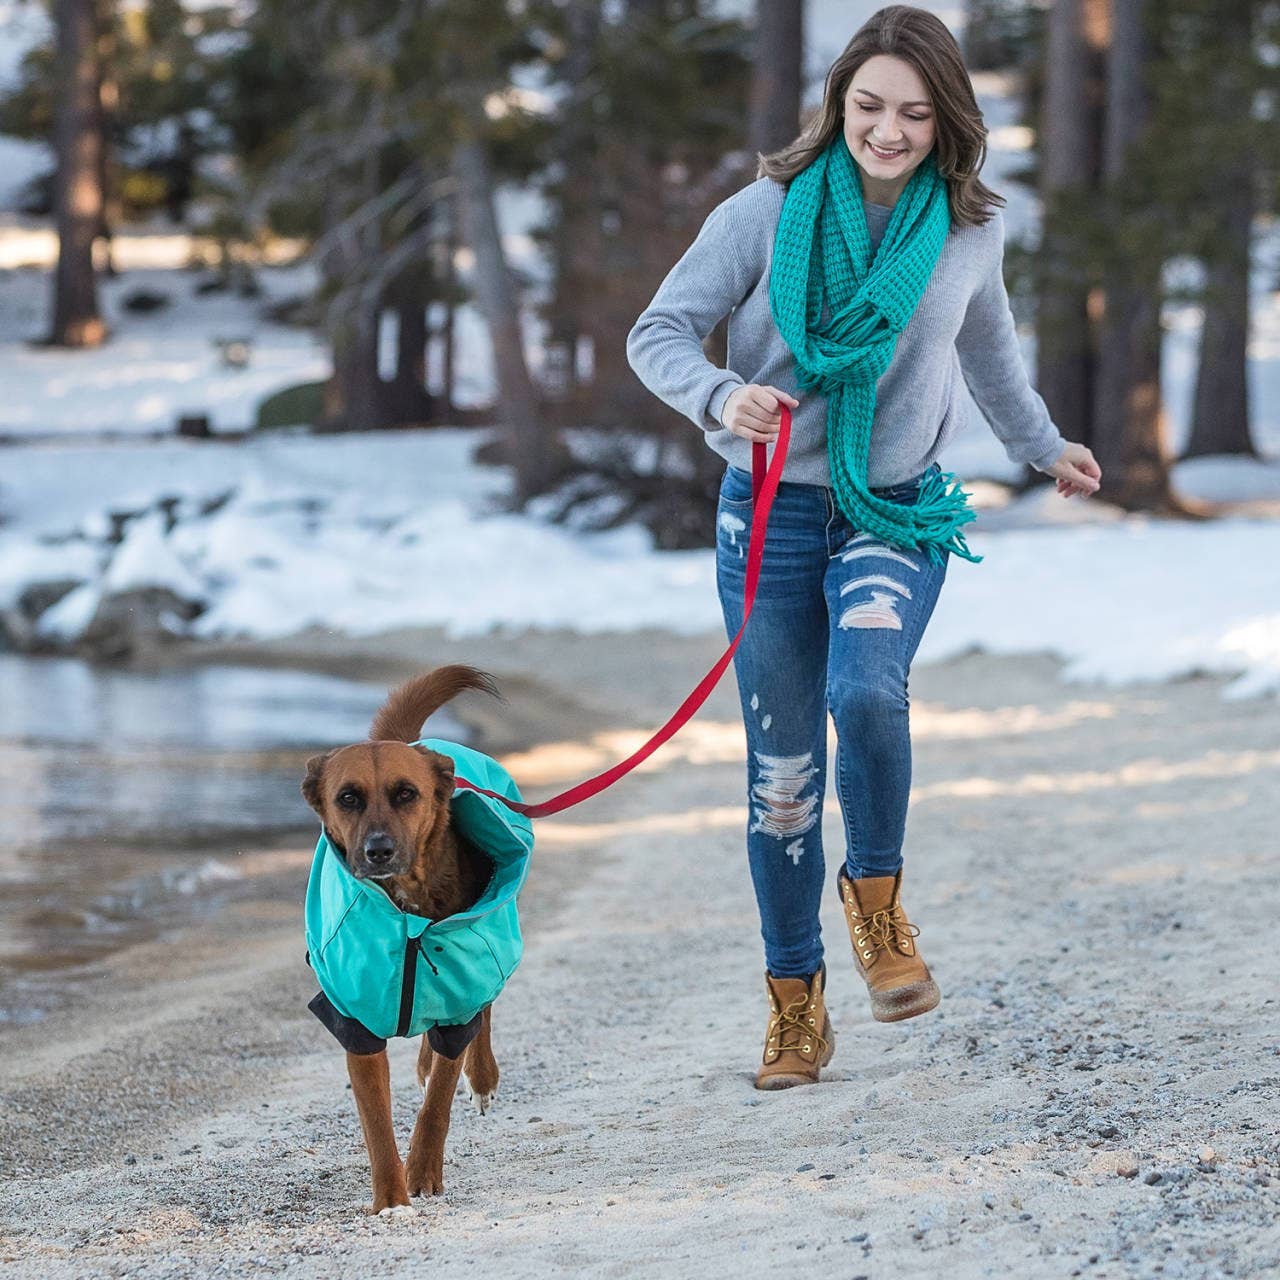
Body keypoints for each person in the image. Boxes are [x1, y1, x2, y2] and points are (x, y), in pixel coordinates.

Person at [626, 4, 1102, 1091]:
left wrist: (1040, 445)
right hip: (770, 515)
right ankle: (794, 1006)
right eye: (867, 107)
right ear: (838, 102)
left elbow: (985, 354)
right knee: (782, 780)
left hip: (892, 507)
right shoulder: (764, 210)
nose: (886, 131)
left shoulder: (969, 227)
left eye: (912, 113)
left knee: (868, 691)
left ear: (946, 122)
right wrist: (718, 392)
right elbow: (655, 331)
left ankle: (877, 905)